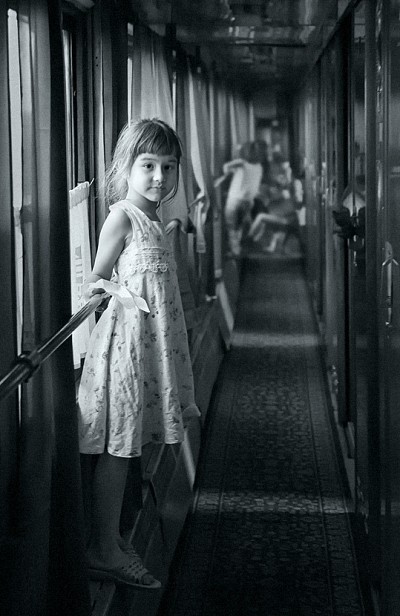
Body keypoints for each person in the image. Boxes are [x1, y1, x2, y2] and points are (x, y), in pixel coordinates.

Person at [78, 118, 200, 588]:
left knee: (128, 445)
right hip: (127, 347)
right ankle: (103, 549)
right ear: (126, 167)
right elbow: (94, 281)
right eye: (148, 165)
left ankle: (110, 538)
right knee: (118, 446)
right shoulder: (123, 216)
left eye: (168, 167)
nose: (159, 177)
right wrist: (124, 296)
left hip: (150, 346)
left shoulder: (153, 219)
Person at [223, 141, 264, 257]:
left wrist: (228, 173)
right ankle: (240, 250)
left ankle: (235, 252)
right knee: (240, 226)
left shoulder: (241, 163)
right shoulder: (259, 167)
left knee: (231, 227)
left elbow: (225, 167)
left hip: (235, 200)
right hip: (248, 201)